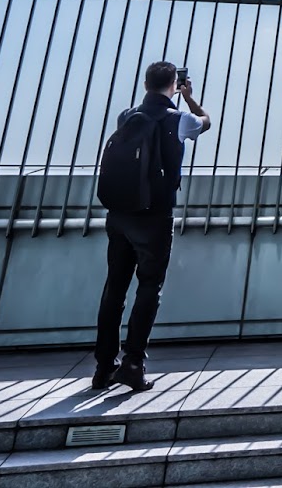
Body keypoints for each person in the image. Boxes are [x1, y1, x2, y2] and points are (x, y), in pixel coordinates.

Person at [93, 61, 190, 392]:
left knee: (114, 289)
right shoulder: (179, 119)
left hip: (119, 215)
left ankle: (104, 366)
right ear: (174, 84)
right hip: (154, 216)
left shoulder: (127, 116)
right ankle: (133, 362)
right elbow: (206, 122)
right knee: (149, 286)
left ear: (146, 83)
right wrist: (188, 98)